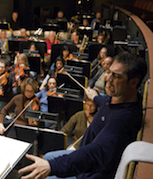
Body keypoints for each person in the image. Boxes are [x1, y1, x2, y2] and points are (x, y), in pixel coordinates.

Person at [18, 51, 147, 179]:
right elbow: (104, 101)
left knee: (47, 171)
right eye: (109, 72)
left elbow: (95, 153)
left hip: (88, 171)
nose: (108, 78)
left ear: (133, 82)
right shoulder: (116, 99)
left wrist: (51, 166)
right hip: (83, 151)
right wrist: (95, 98)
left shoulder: (123, 119)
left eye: (116, 76)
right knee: (47, 156)